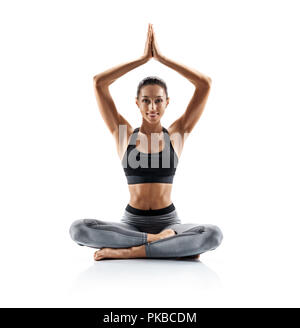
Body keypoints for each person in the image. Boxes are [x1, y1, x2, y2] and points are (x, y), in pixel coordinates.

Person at [69, 23, 223, 261]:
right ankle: (160, 244)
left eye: (158, 101)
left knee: (213, 235)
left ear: (167, 102)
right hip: (131, 224)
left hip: (169, 222)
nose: (152, 107)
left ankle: (133, 251)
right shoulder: (123, 134)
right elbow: (99, 82)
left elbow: (205, 84)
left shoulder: (177, 135)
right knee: (79, 229)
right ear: (137, 103)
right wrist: (143, 59)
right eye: (146, 101)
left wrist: (161, 59)